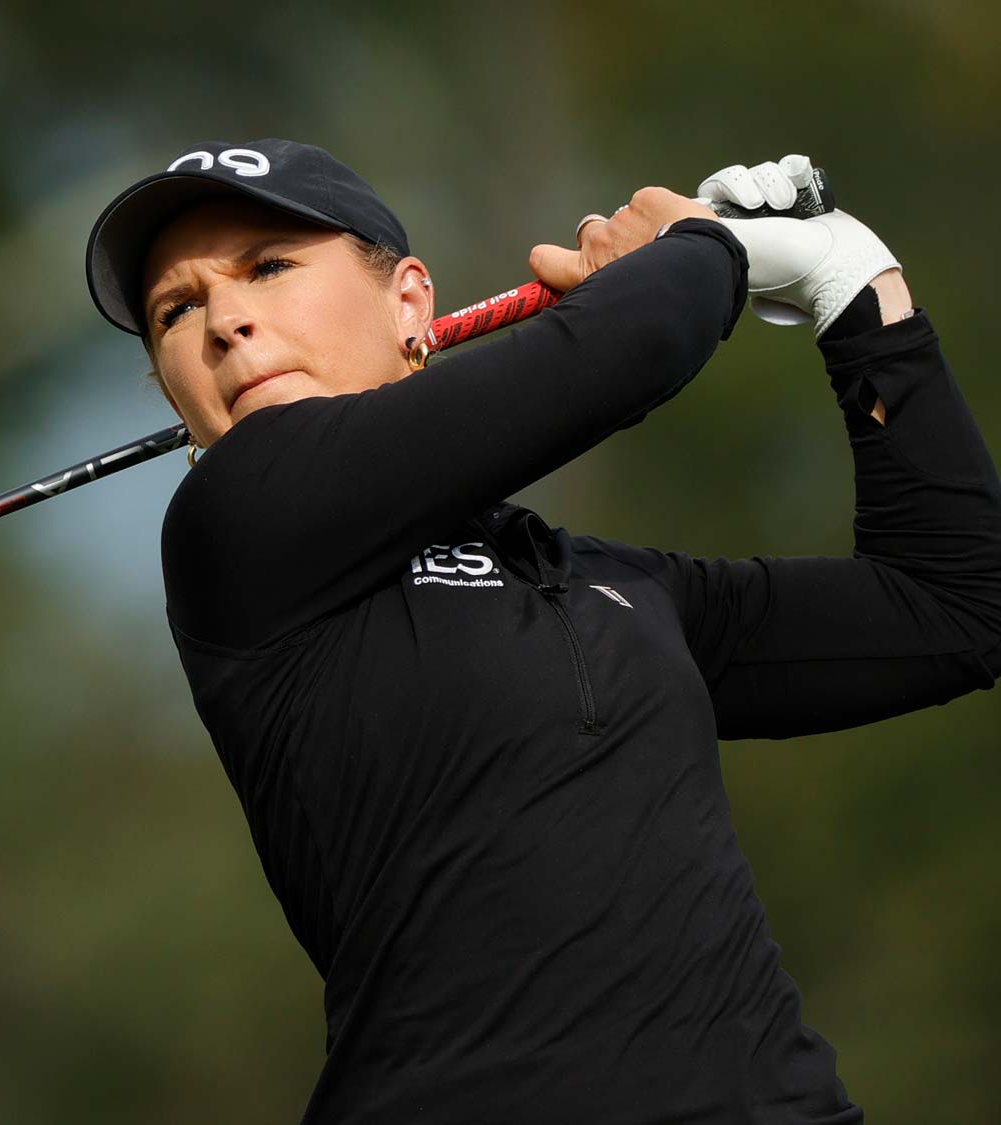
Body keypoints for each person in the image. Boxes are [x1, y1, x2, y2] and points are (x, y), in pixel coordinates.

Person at [82, 138, 1001, 1123]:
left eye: (267, 267)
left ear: (408, 305)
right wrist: (703, 246)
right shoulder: (239, 526)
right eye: (175, 309)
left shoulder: (599, 584)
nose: (224, 319)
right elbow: (631, 344)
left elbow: (950, 605)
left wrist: (855, 286)